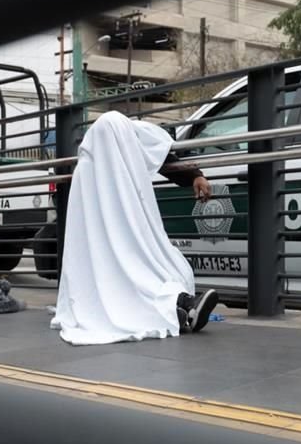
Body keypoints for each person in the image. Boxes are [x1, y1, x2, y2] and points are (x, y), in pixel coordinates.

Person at [50, 111, 219, 345]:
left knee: (141, 273)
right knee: (137, 271)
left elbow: (160, 156)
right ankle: (180, 306)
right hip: (110, 250)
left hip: (105, 252)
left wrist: (194, 175)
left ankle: (180, 308)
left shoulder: (97, 163)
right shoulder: (103, 170)